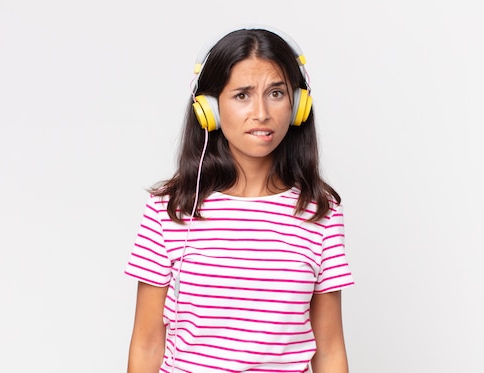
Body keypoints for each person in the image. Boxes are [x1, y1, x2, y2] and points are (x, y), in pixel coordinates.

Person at [125, 25, 354, 373]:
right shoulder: (169, 210)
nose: (261, 112)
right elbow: (147, 344)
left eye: (276, 93)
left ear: (298, 106)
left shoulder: (320, 213)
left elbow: (330, 349)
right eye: (242, 95)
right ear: (210, 109)